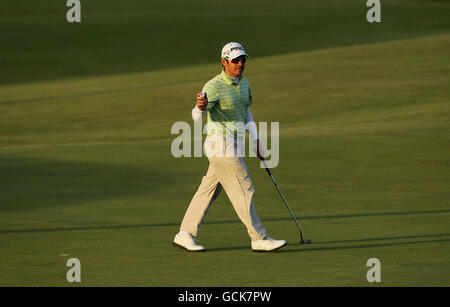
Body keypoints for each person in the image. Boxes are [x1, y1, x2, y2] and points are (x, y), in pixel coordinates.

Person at [173, 42, 286, 252]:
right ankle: (258, 237)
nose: (240, 64)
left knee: (209, 190)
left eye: (242, 59)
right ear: (224, 62)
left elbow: (246, 112)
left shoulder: (244, 83)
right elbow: (197, 117)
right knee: (244, 186)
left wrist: (256, 140)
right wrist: (200, 108)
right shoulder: (213, 86)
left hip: (234, 142)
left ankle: (184, 233)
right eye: (235, 60)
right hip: (220, 143)